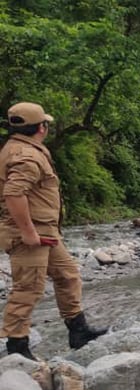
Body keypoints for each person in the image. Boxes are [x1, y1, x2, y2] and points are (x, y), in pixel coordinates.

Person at [0, 103, 108, 361]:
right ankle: (17, 348)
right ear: (41, 127)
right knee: (28, 288)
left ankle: (78, 330)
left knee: (67, 275)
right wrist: (27, 232)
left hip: (45, 231)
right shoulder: (26, 155)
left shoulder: (19, 148)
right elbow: (14, 194)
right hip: (30, 233)